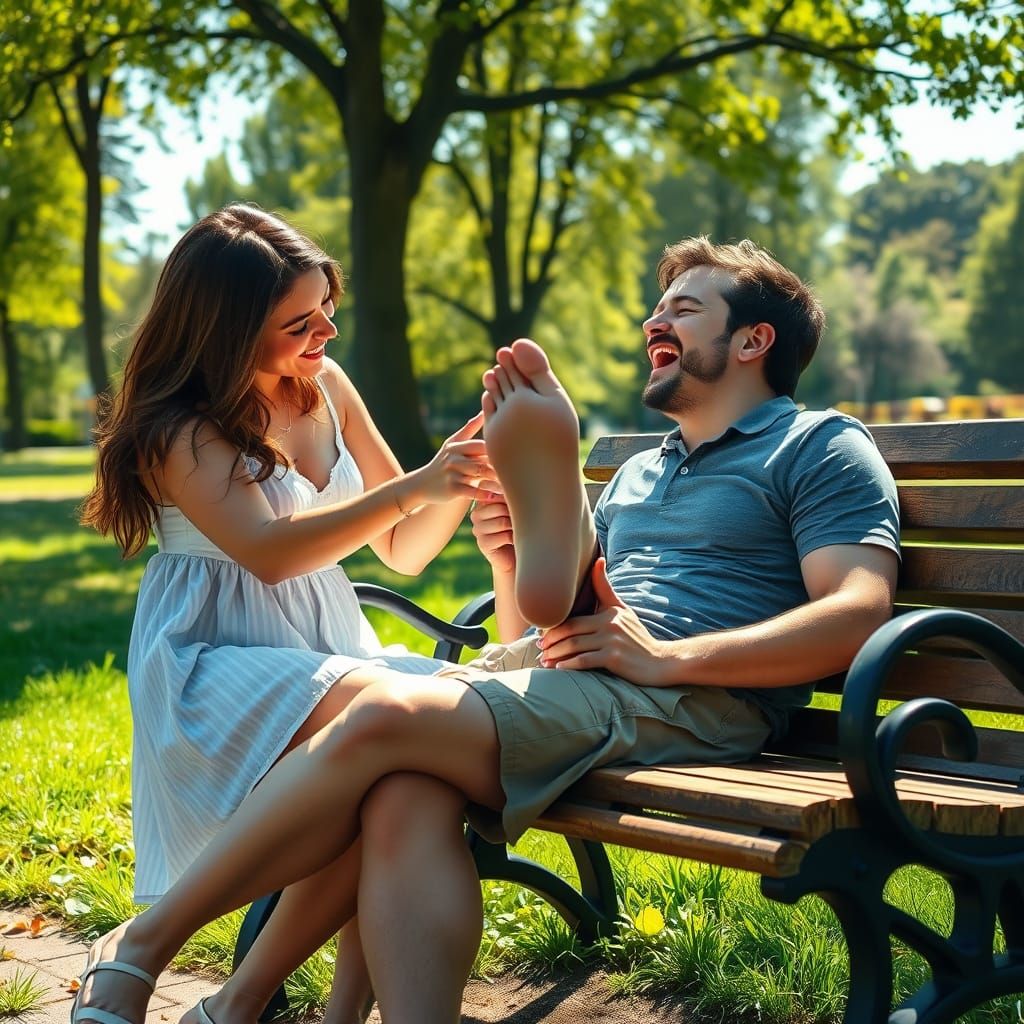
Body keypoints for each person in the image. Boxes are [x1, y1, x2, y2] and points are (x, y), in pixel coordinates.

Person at [74, 237, 900, 1024]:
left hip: (695, 695)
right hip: (577, 669)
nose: (655, 322)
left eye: (682, 308)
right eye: (658, 309)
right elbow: (536, 627)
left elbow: (857, 612)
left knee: (392, 715)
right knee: (401, 787)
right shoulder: (646, 467)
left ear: (755, 339)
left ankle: (143, 951)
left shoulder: (820, 445)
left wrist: (664, 656)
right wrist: (514, 569)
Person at [80, 203, 501, 1024]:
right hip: (212, 660)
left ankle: (247, 1008)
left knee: (407, 776)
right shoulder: (176, 427)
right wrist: (412, 485)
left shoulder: (326, 388)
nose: (326, 335)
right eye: (300, 322)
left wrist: (462, 472)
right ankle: (149, 949)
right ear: (225, 331)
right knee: (402, 720)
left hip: (323, 643)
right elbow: (269, 553)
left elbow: (404, 550)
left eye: (328, 310)